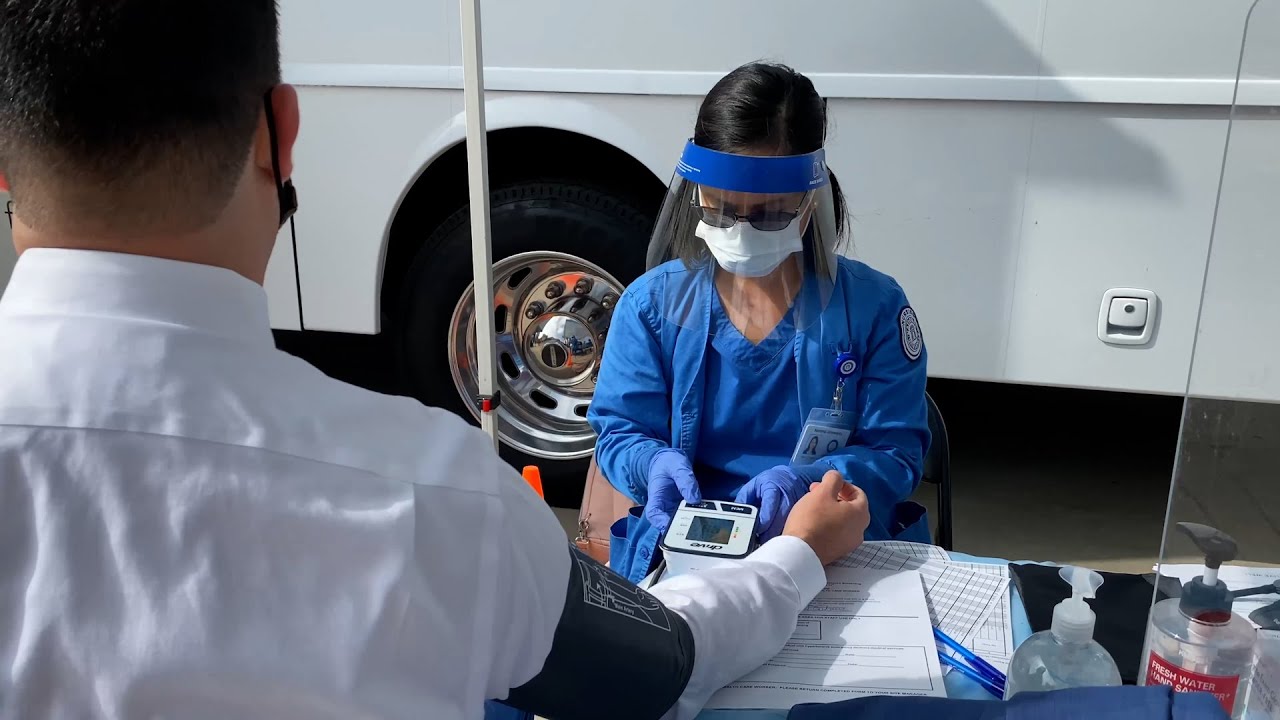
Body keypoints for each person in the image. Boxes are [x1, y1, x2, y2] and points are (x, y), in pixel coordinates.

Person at [0, 5, 871, 719]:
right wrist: (795, 554)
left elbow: (889, 443)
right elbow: (663, 665)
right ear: (282, 135)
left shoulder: (866, 305)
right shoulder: (435, 492)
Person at [588, 62, 932, 584]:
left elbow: (896, 453)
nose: (740, 232)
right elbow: (620, 430)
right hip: (687, 551)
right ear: (696, 195)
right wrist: (650, 464)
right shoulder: (652, 307)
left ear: (811, 201)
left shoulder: (873, 309)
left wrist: (808, 482)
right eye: (721, 211)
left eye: (770, 215)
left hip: (826, 548)